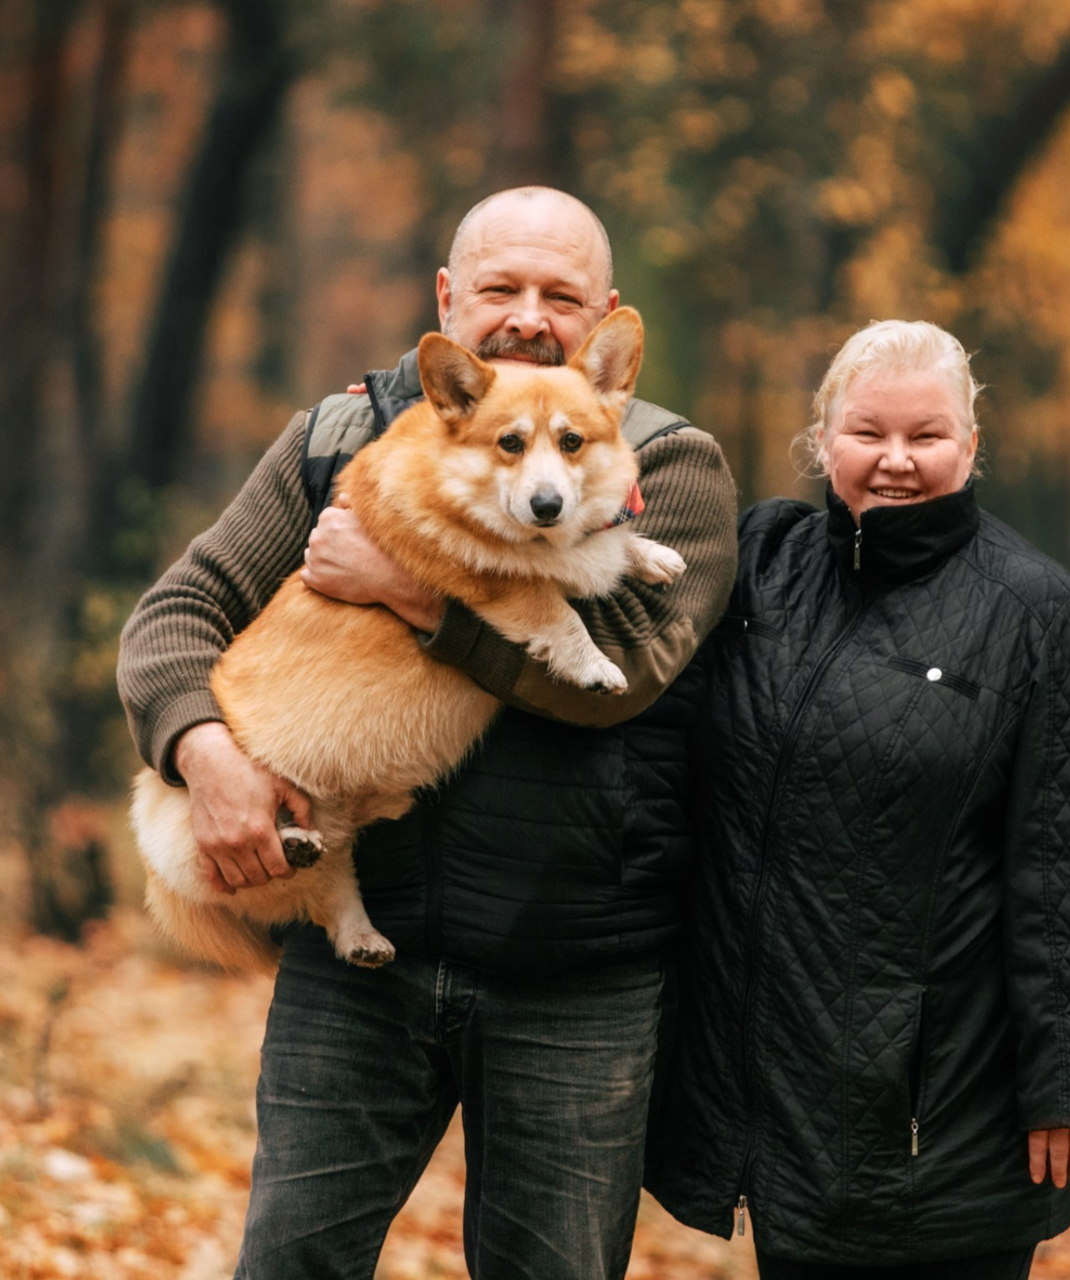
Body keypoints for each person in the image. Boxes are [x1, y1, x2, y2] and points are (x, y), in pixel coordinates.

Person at [117, 186, 738, 1280]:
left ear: (605, 319)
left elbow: (622, 678)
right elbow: (176, 615)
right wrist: (202, 753)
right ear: (450, 300)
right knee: (291, 1263)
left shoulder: (669, 465)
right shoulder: (339, 436)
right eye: (500, 287)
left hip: (574, 972)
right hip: (359, 971)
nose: (528, 315)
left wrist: (416, 598)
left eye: (561, 294)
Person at [645, 320, 1070, 1280]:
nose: (897, 462)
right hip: (778, 1089)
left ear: (971, 445)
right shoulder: (759, 565)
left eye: (929, 435)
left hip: (943, 1099)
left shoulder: (1044, 615)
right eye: (869, 433)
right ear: (823, 436)